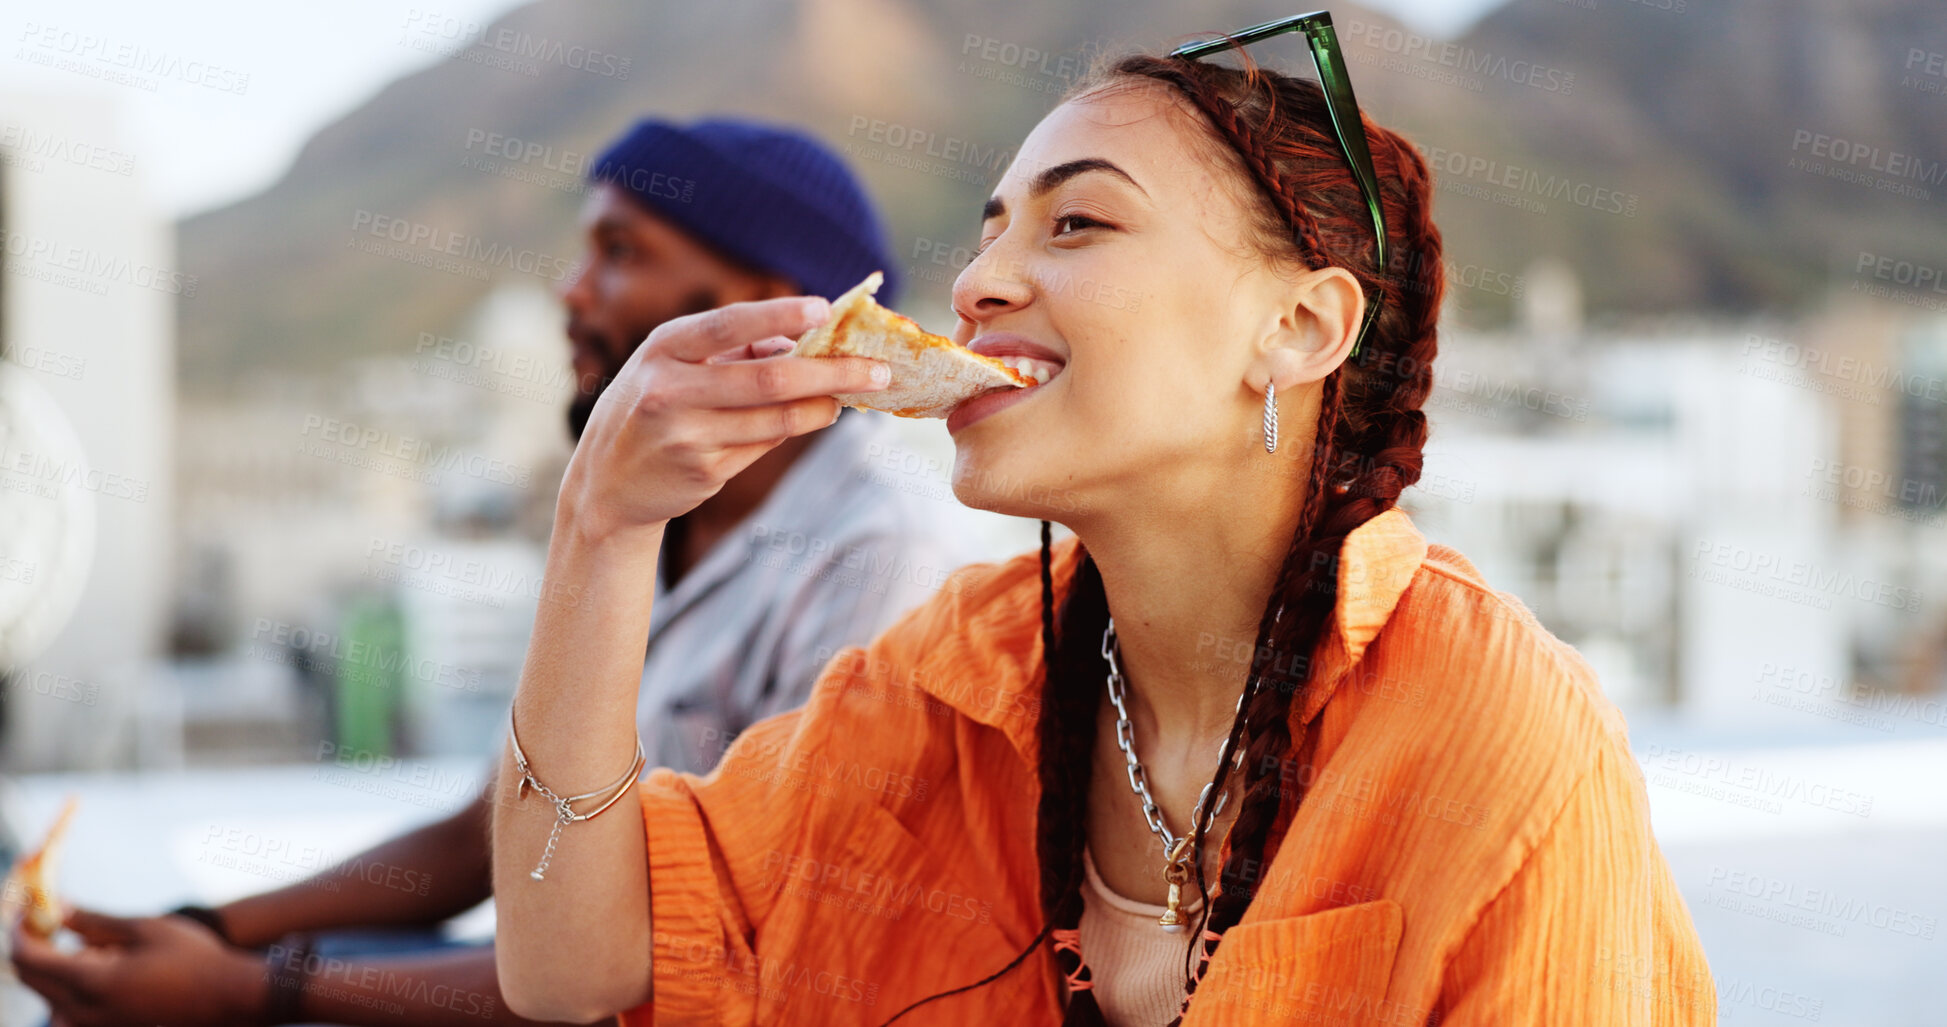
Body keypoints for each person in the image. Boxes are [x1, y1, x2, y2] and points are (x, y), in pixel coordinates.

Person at [486, 34, 1718, 1027]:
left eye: (1076, 224)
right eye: (990, 229)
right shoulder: (949, 681)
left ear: (1296, 328)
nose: (975, 285)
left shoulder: (1491, 727)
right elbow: (573, 967)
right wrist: (602, 523)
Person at [10, 118, 983, 1026]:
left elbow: (684, 959)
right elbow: (496, 827)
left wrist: (249, 988)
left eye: (620, 251)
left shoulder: (879, 564)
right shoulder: (656, 523)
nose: (571, 289)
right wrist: (211, 927)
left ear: (774, 312)